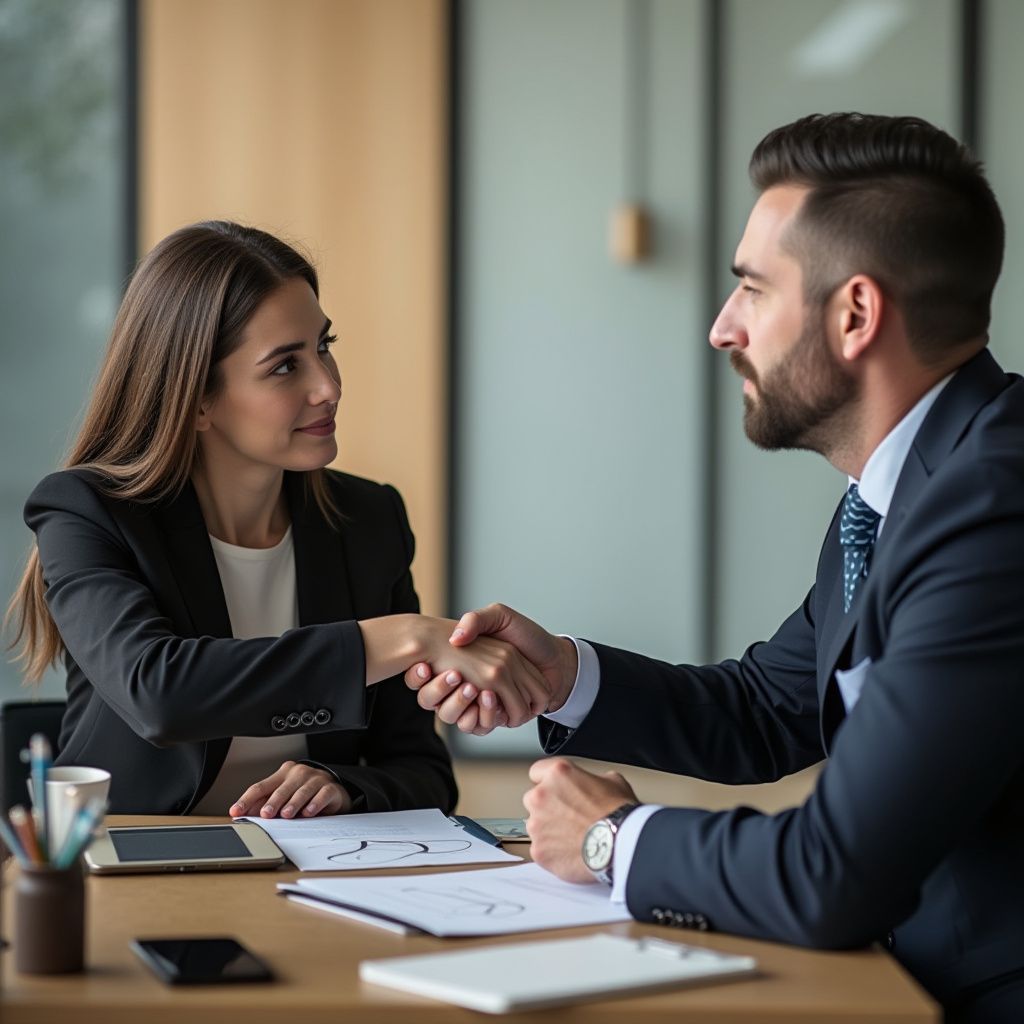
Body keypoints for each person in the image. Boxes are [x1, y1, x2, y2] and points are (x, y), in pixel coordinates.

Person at [407, 114, 1024, 1021]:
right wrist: (562, 679)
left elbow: (835, 872)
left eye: (751, 289)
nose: (721, 328)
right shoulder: (908, 486)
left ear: (855, 315)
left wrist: (616, 841)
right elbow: (767, 709)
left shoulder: (992, 511)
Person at [6, 221, 550, 819]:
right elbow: (159, 692)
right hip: (134, 863)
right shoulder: (87, 512)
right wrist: (408, 636)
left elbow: (424, 773)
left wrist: (343, 784)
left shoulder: (368, 521)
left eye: (324, 345)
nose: (329, 385)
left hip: (308, 873)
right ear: (197, 401)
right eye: (285, 367)